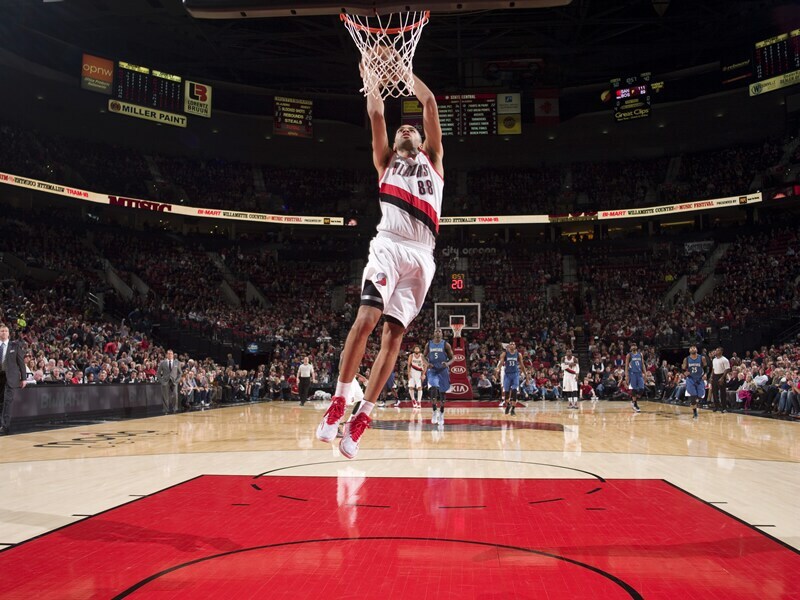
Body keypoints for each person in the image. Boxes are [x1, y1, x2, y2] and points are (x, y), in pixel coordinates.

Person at [315, 70, 444, 459]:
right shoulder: (385, 160)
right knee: (366, 319)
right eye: (401, 127)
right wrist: (372, 75)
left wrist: (403, 72)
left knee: (394, 338)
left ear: (422, 139)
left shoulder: (434, 160)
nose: (406, 128)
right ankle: (339, 400)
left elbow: (430, 103)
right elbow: (376, 114)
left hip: (423, 256)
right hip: (389, 244)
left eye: (412, 128)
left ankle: (362, 418)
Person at [0, 325, 27, 435]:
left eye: (6, 331)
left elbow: (21, 363)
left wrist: (24, 378)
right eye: (2, 331)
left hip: (11, 377)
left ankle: (5, 426)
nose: (4, 332)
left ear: (9, 333)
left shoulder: (15, 345)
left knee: (7, 401)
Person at [426, 328, 455, 425]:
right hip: (433, 370)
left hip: (443, 370)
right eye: (436, 331)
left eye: (439, 331)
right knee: (434, 389)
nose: (437, 332)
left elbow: (453, 357)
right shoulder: (429, 344)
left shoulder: (446, 344)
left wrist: (447, 364)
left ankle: (441, 413)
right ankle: (434, 411)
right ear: (433, 333)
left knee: (442, 394)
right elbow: (422, 355)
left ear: (442, 334)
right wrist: (426, 363)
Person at [496, 341, 525, 416]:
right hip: (507, 374)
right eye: (511, 344)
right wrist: (498, 369)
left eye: (513, 344)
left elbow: (522, 365)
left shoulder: (518, 354)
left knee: (515, 390)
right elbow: (501, 362)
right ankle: (508, 405)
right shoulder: (505, 353)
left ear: (515, 346)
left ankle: (513, 409)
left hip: (515, 374)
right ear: (508, 346)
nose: (512, 345)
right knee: (507, 392)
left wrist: (525, 374)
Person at [682, 345, 708, 419]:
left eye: (694, 347)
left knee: (700, 395)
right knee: (693, 395)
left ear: (696, 349)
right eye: (691, 348)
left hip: (700, 378)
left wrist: (705, 374)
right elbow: (683, 368)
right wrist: (685, 372)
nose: (693, 349)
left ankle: (694, 403)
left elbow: (706, 368)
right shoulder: (686, 359)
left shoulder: (702, 358)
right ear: (689, 350)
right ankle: (695, 412)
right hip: (691, 379)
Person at [157, 349, 182, 414]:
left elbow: (180, 373)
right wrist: (162, 381)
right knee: (165, 397)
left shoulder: (177, 362)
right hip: (165, 382)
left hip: (174, 382)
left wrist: (177, 381)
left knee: (175, 395)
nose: (170, 355)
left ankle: (175, 409)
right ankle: (166, 410)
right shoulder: (162, 362)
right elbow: (158, 373)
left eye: (171, 354)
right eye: (168, 354)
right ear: (166, 355)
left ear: (173, 355)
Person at [624, 343, 644, 412]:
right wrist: (626, 376)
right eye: (632, 346)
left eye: (635, 345)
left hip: (639, 373)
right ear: (631, 348)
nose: (633, 347)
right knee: (634, 389)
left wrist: (645, 373)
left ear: (636, 347)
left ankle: (633, 401)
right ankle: (635, 404)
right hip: (632, 373)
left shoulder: (640, 354)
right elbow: (626, 366)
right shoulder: (629, 355)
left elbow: (643, 364)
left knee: (641, 389)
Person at [711, 347, 731, 413]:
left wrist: (722, 378)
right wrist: (711, 377)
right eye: (716, 350)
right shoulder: (714, 359)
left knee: (722, 393)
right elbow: (713, 369)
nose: (716, 351)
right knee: (714, 392)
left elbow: (727, 369)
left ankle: (724, 407)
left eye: (718, 350)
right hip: (715, 376)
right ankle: (716, 406)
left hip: (721, 375)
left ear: (721, 352)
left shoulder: (724, 359)